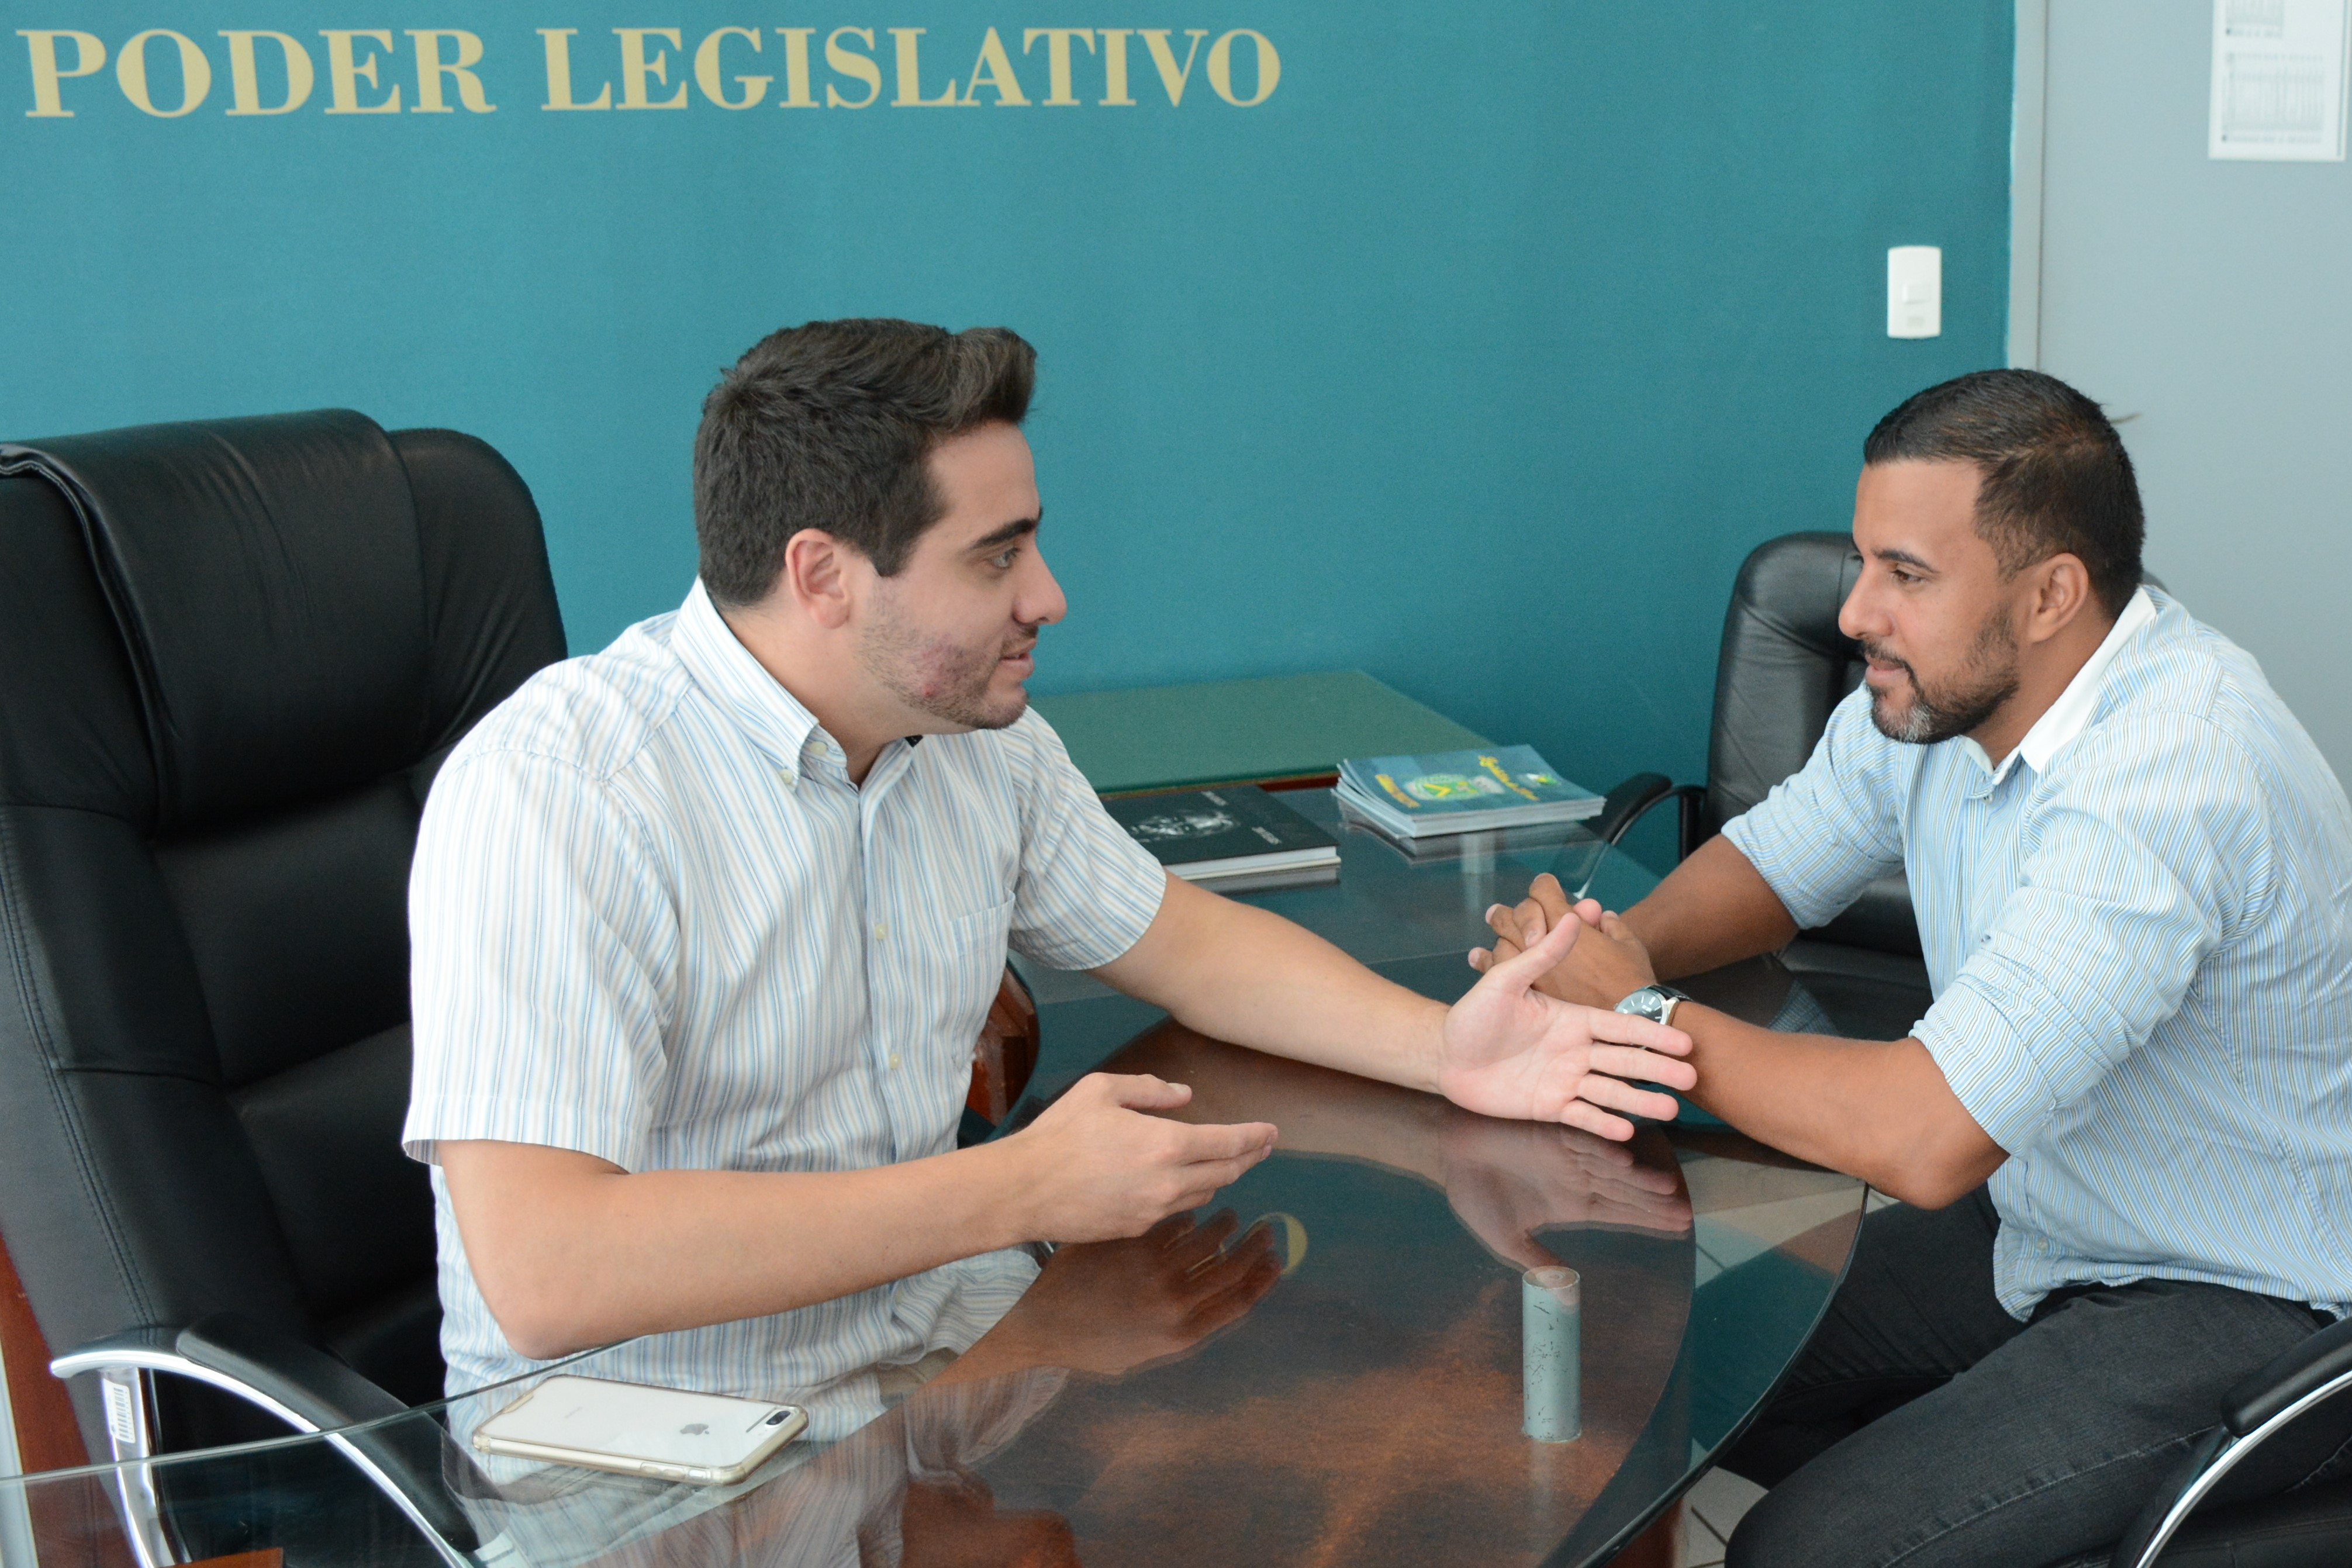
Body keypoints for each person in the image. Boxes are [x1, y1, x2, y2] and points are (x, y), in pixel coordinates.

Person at [402, 317, 1696, 1421]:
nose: (1049, 596)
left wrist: (1445, 1052)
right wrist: (1016, 1189)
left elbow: (1183, 939)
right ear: (823, 576)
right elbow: (546, 1269)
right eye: (995, 554)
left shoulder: (974, 742)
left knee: (1374, 1405)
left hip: (927, 1366)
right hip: (650, 1448)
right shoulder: (562, 789)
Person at [1473, 368, 2352, 1567]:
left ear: (2048, 594)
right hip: (2056, 1214)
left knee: (1805, 1550)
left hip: (2249, 1301)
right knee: (1640, 1372)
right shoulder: (1938, 698)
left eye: (1906, 576)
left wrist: (1631, 1008)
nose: (1853, 615)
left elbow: (1924, 1138)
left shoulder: (2166, 772)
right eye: (1863, 561)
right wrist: (1595, 947)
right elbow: (1776, 862)